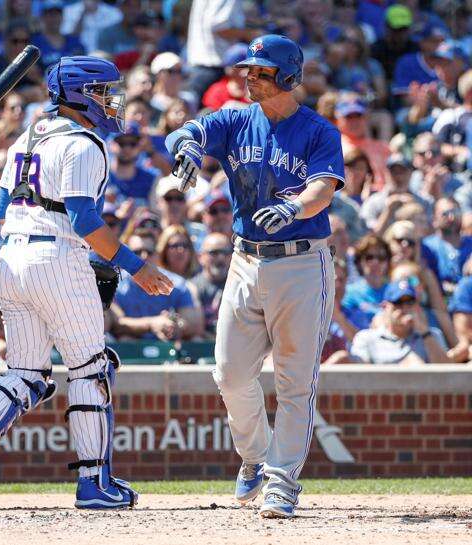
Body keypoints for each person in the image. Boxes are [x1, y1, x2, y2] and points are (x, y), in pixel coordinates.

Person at [0, 55, 173, 511]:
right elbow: (84, 220)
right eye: (104, 91)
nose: (112, 100)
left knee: (26, 373)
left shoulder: (27, 137)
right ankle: (94, 483)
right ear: (82, 94)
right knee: (90, 368)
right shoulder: (84, 144)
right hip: (56, 257)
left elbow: (3, 208)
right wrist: (135, 266)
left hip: (9, 258)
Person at [166, 35, 345, 518]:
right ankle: (255, 455)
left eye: (262, 71)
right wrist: (184, 149)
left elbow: (323, 190)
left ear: (288, 77)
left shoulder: (317, 131)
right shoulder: (235, 119)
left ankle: (283, 480)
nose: (249, 77)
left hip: (302, 262)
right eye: (248, 69)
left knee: (294, 381)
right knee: (228, 373)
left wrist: (292, 207)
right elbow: (189, 130)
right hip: (245, 261)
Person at [350, 280, 452, 364]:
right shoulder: (366, 337)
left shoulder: (432, 335)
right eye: (398, 303)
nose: (405, 308)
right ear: (385, 307)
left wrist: (424, 332)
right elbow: (358, 376)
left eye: (409, 302)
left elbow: (446, 376)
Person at [189, 232, 232, 339]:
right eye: (214, 253)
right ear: (200, 257)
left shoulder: (241, 286)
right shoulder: (191, 287)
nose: (221, 258)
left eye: (226, 253)